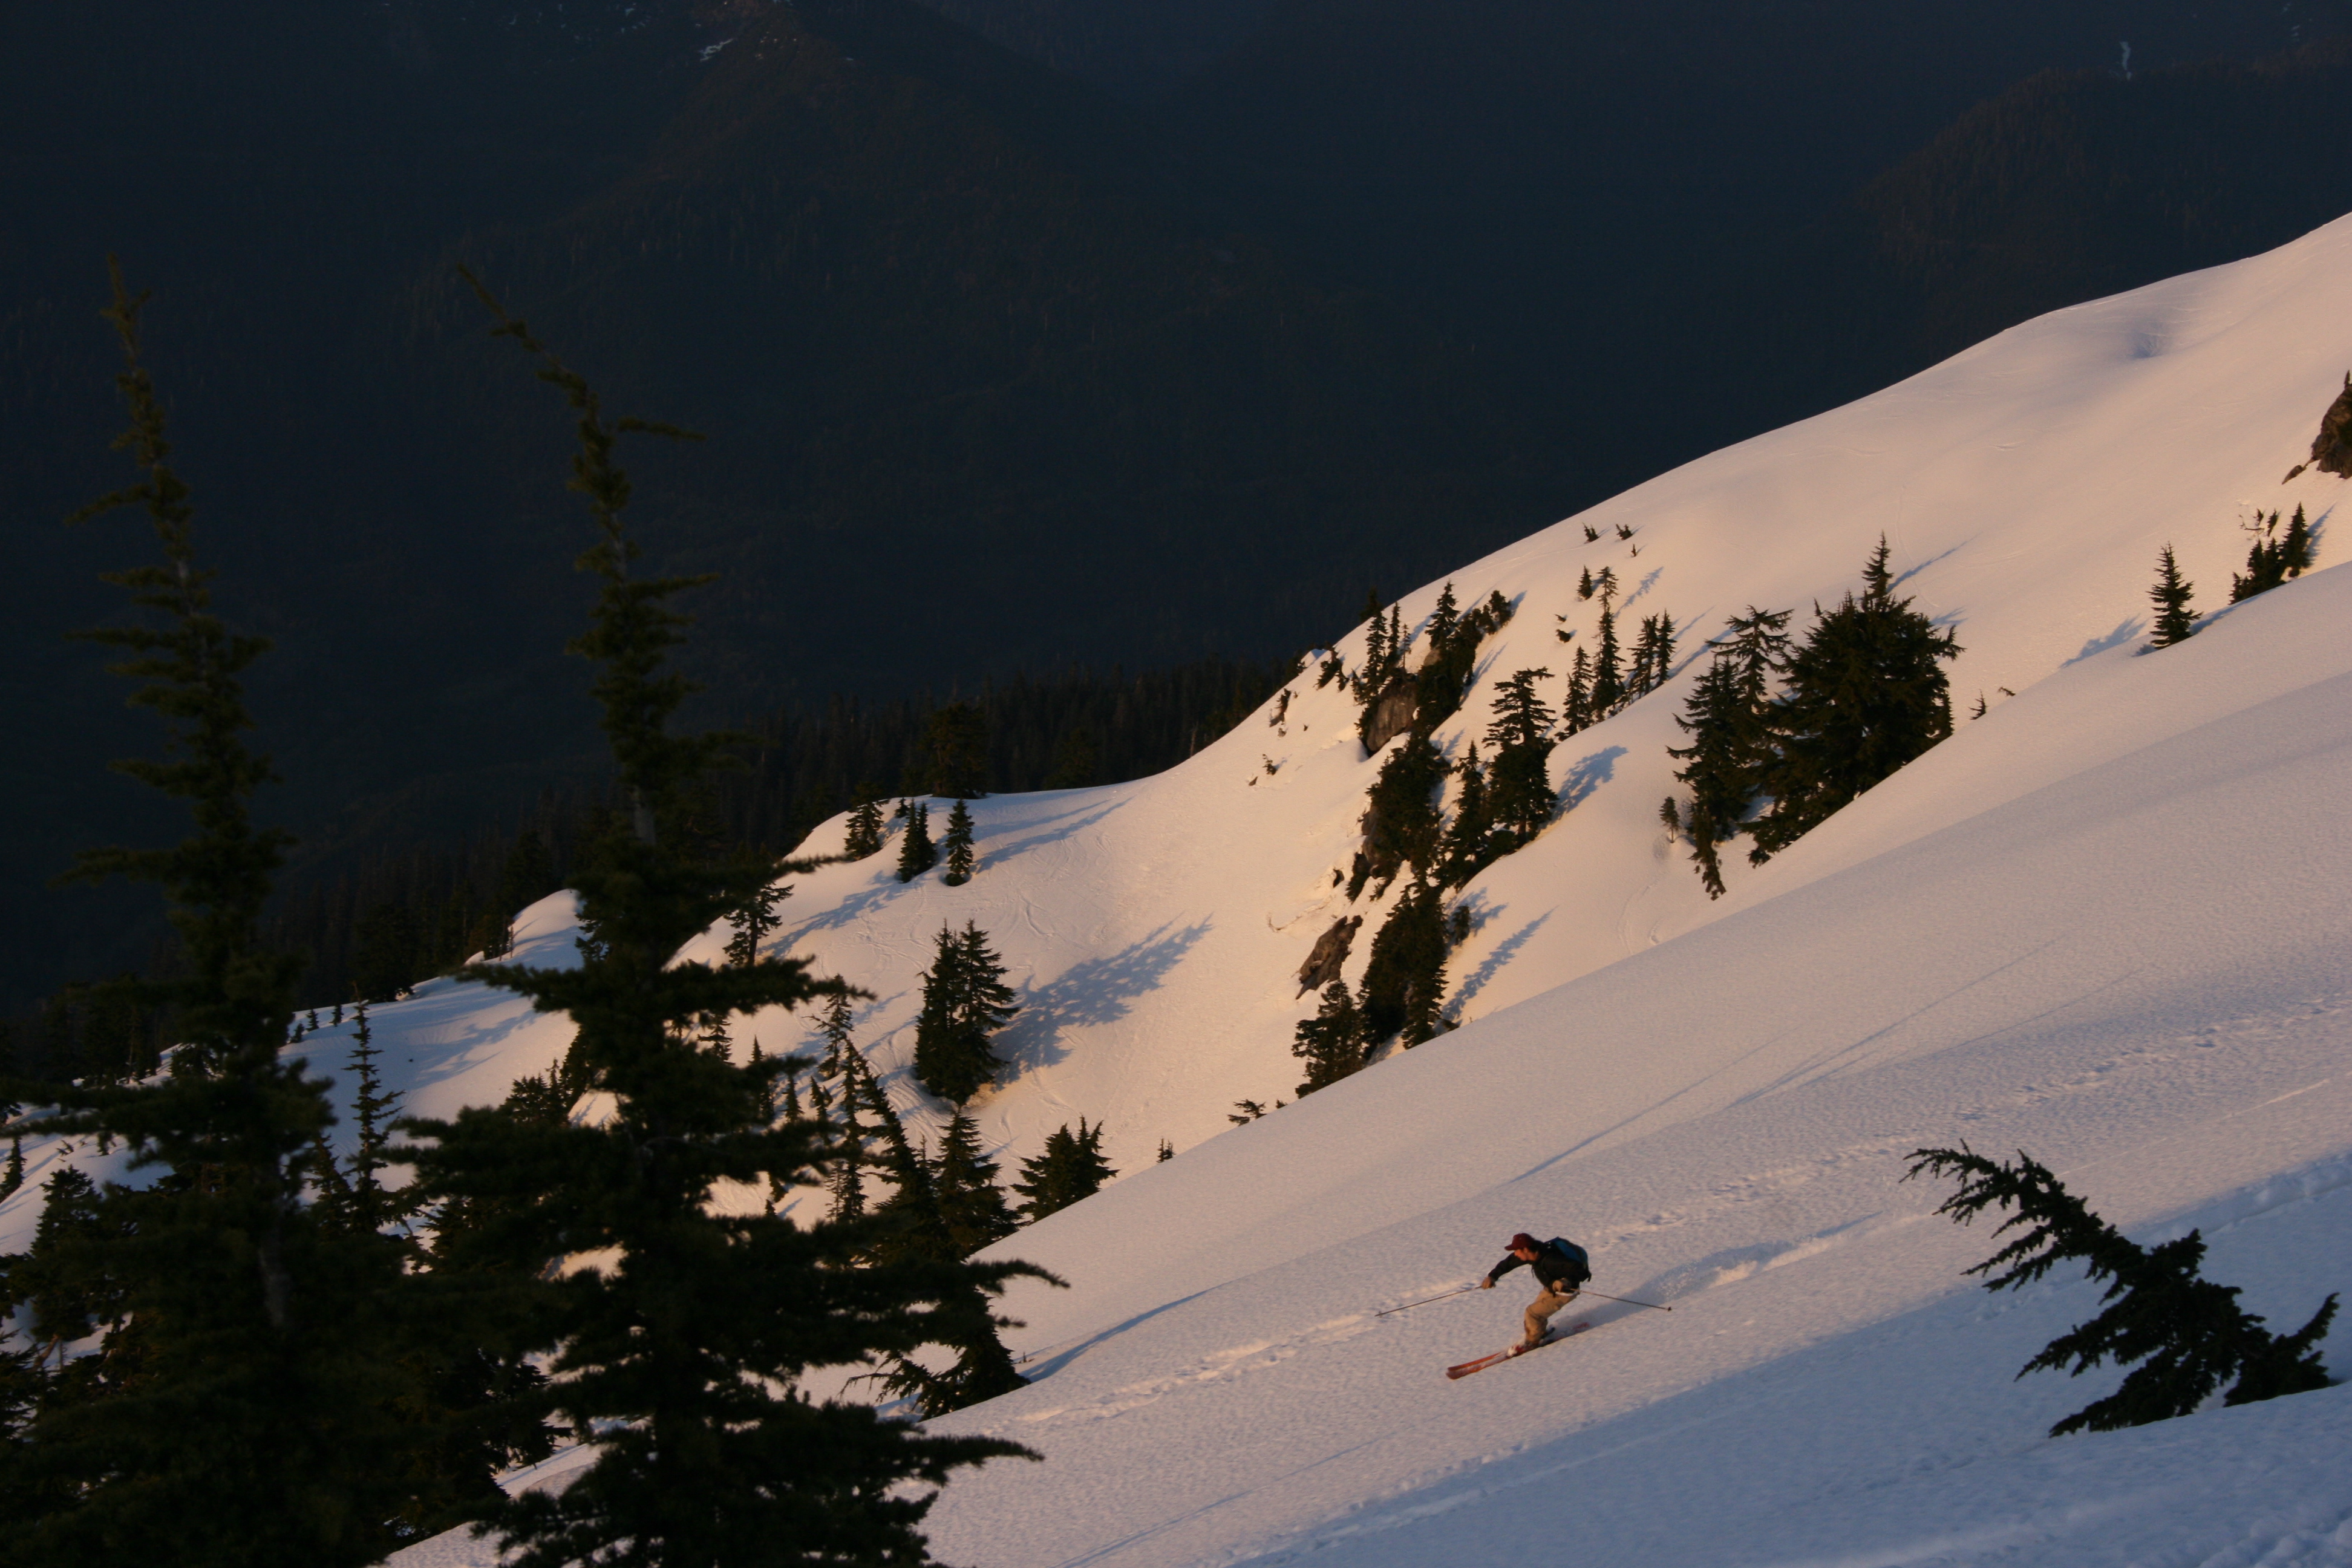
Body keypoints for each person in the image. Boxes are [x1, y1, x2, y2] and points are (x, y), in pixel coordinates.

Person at [1479, 1232, 1590, 1350]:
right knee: (1536, 1312)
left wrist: (1566, 1281)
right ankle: (1540, 1334)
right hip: (1551, 1289)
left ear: (1526, 1249)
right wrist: (1492, 1277)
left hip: (1565, 1292)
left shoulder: (1551, 1259)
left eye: (1517, 1250)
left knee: (1532, 1314)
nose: (1515, 1254)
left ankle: (1532, 1342)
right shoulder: (1533, 1254)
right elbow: (1509, 1263)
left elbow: (1581, 1270)